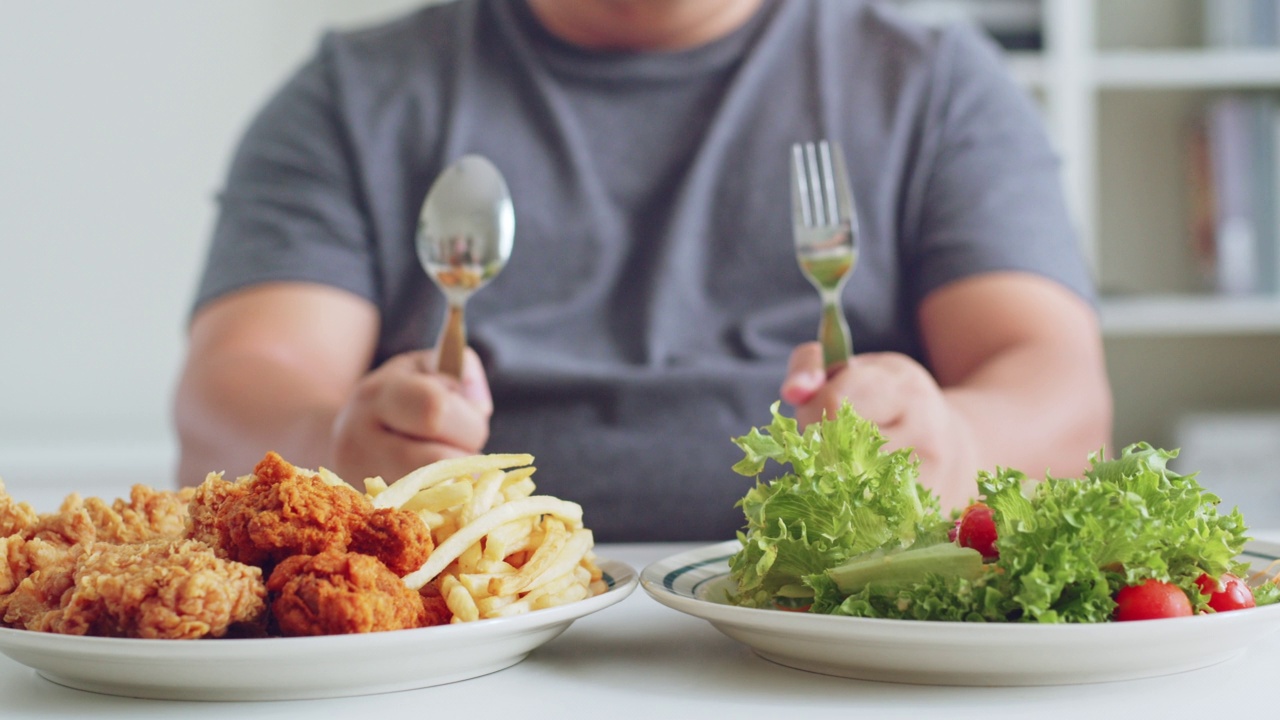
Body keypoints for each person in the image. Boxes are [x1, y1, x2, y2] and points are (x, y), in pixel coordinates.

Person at [173, 0, 1113, 542]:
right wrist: (338, 445)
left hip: (846, 649)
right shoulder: (355, 94)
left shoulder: (935, 84)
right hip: (447, 651)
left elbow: (1062, 393)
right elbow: (228, 397)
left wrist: (951, 437)